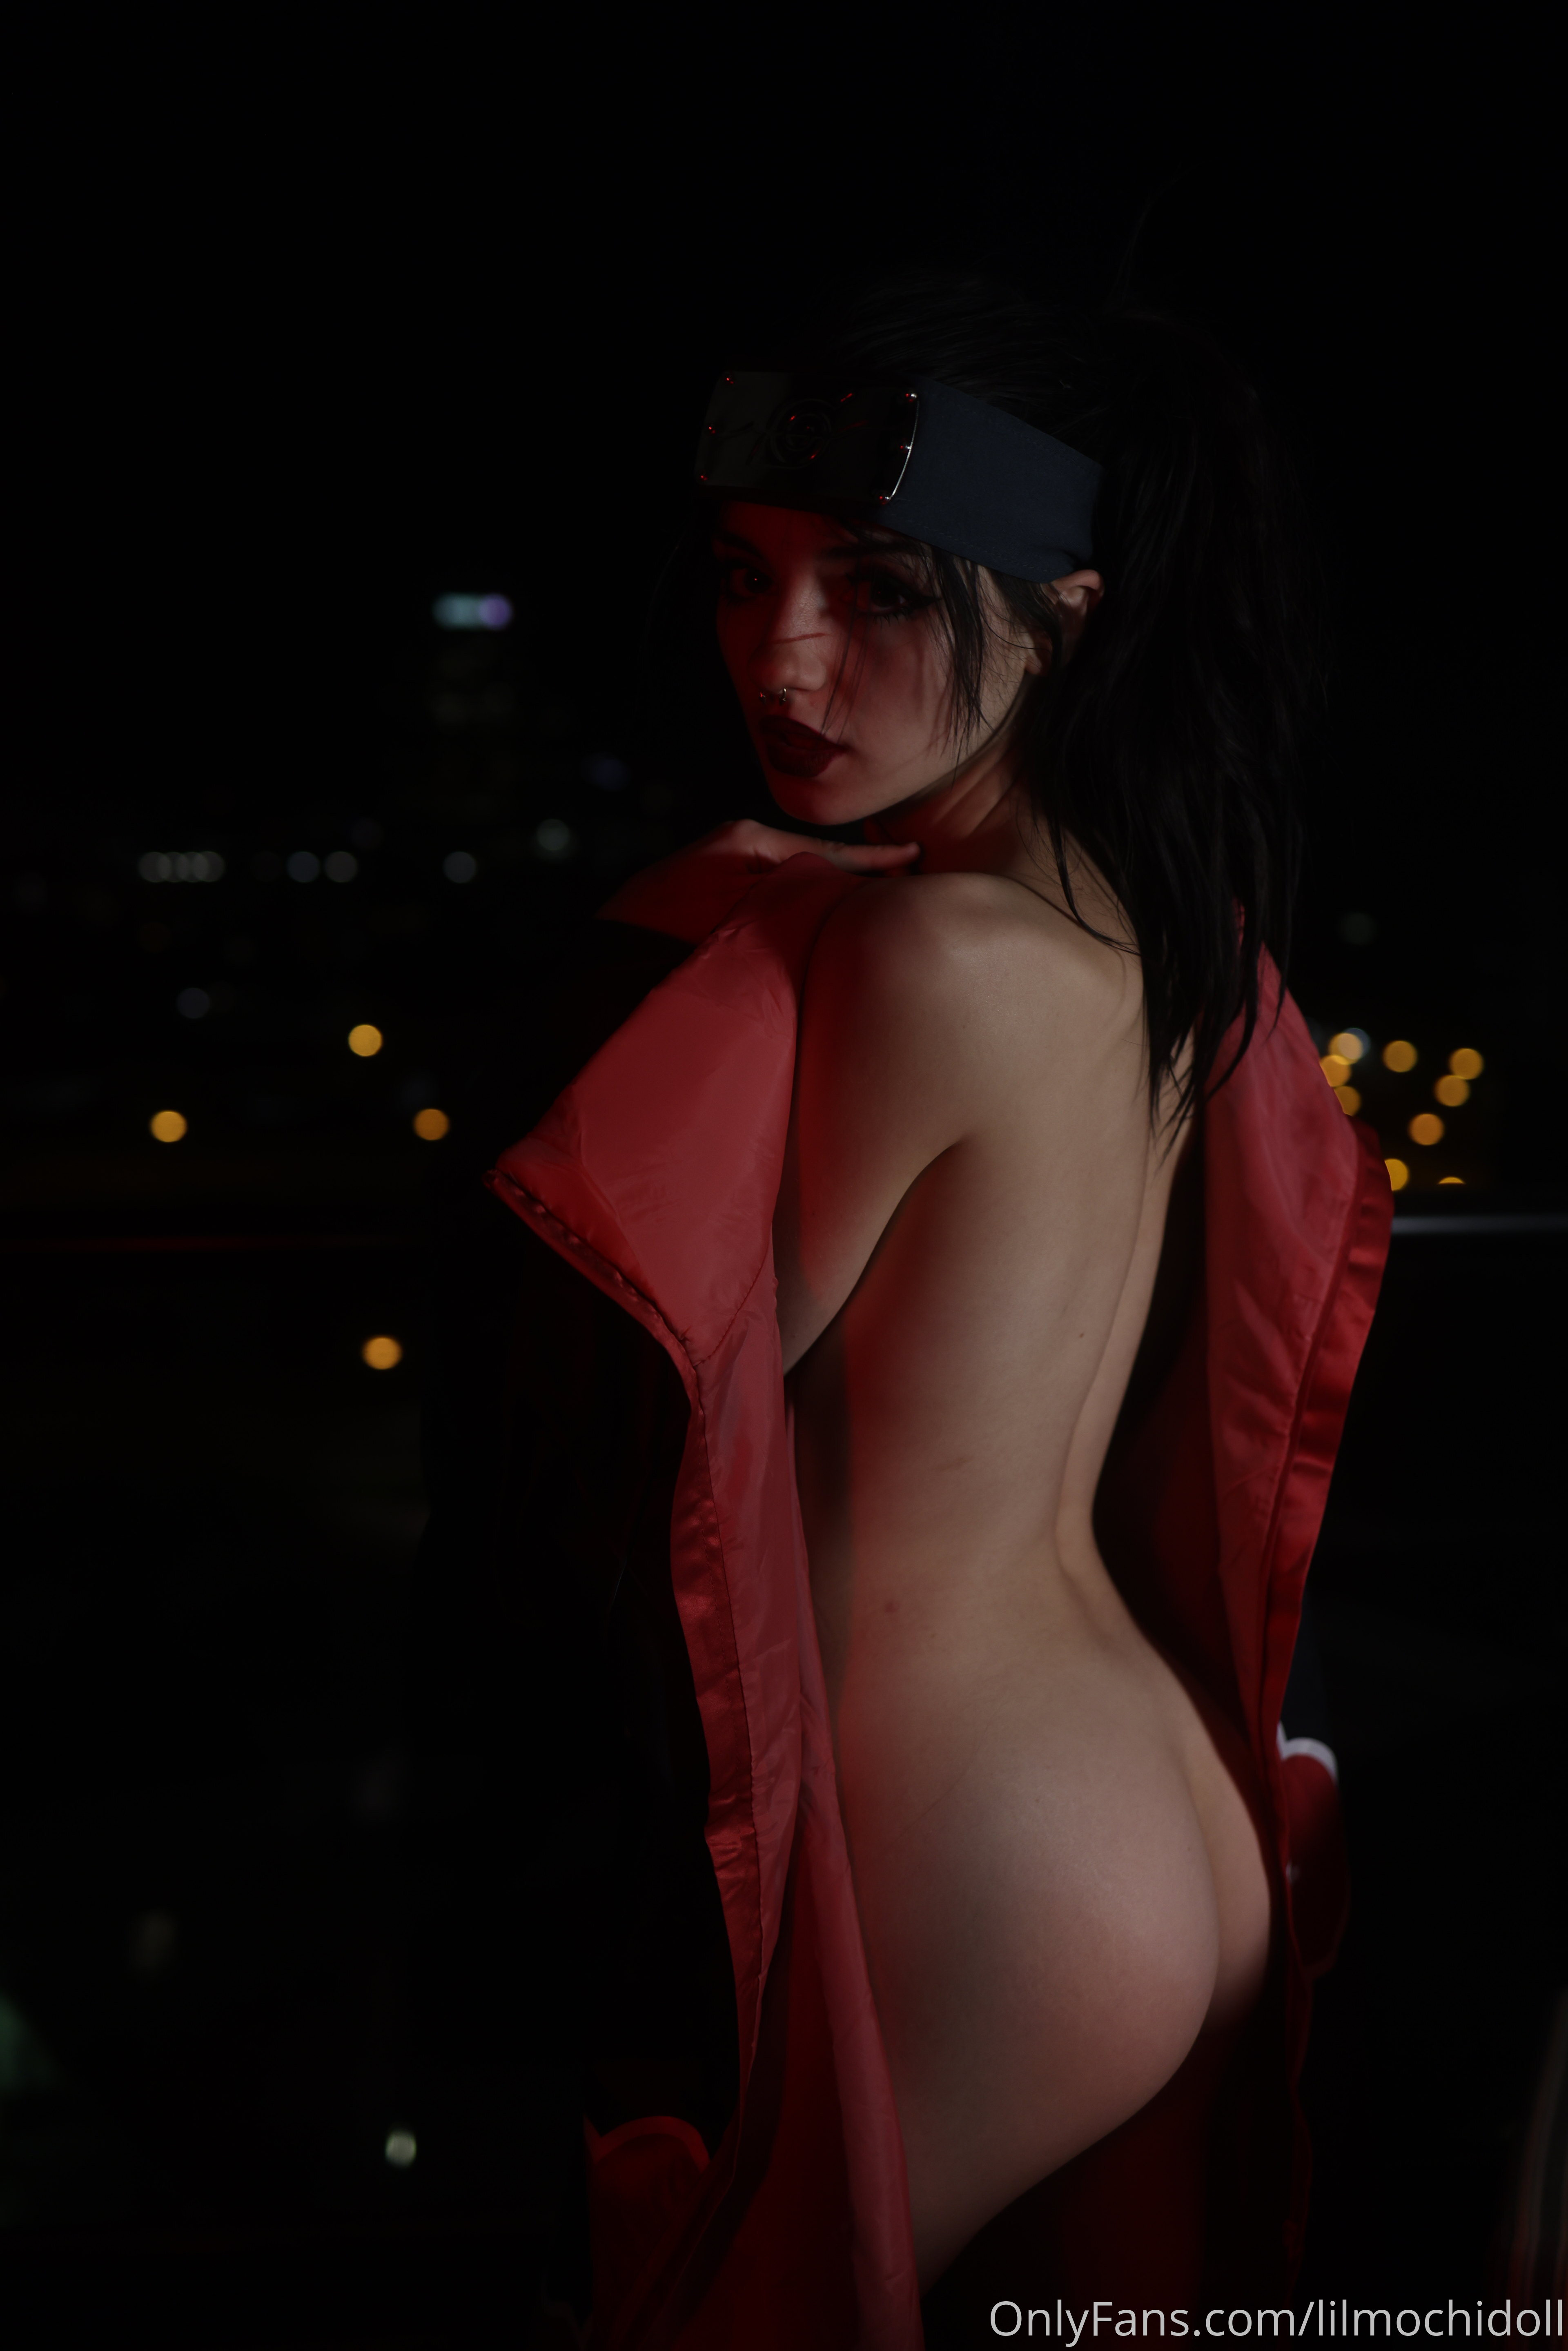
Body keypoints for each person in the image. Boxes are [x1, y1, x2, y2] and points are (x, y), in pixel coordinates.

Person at [419, 272, 1389, 2347]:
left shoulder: (911, 958)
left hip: (978, 1858)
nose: (783, 658)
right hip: (1168, 1812)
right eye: (742, 576)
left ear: (1066, 617)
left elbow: (659, 1388)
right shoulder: (1156, 929)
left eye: (875, 589)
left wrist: (680, 930)